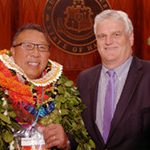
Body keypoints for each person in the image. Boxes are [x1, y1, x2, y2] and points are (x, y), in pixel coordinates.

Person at [0, 23, 95, 150]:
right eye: (28, 46)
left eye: (42, 48)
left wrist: (66, 142)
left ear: (49, 54)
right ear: (13, 51)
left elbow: (81, 139)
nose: (35, 53)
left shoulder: (63, 90)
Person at [77, 9, 150, 150]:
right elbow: (80, 134)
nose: (108, 42)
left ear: (131, 38)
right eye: (102, 36)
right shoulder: (84, 79)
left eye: (116, 34)